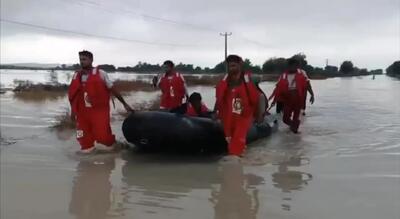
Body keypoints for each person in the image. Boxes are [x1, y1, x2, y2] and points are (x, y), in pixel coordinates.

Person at [68, 50, 133, 154]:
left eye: (84, 59)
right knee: (81, 135)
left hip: (99, 111)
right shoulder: (76, 75)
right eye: (80, 59)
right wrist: (72, 112)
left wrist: (124, 103)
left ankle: (116, 146)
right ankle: (87, 154)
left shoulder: (101, 74)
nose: (82, 62)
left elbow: (113, 89)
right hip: (82, 112)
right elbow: (73, 96)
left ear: (91, 60)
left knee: (103, 136)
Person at [215, 54, 260, 157]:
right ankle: (237, 160)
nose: (231, 68)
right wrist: (216, 112)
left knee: (237, 142)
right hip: (228, 117)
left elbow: (258, 98)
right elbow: (219, 98)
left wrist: (259, 115)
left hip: (243, 116)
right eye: (230, 66)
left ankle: (235, 165)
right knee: (229, 141)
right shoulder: (225, 80)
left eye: (234, 66)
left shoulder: (248, 79)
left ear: (240, 65)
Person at [273, 58, 313, 133]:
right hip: (287, 98)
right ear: (288, 66)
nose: (293, 68)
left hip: (298, 97)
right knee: (285, 119)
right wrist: (274, 100)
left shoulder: (302, 72)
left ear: (297, 66)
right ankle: (293, 126)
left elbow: (307, 84)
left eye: (295, 66)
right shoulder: (283, 75)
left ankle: (295, 132)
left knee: (296, 116)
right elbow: (278, 88)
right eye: (291, 66)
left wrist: (312, 94)